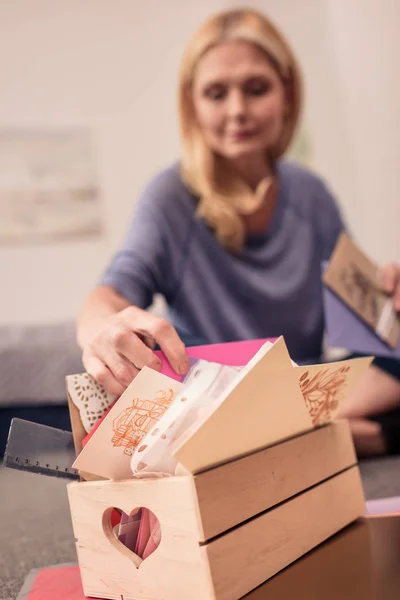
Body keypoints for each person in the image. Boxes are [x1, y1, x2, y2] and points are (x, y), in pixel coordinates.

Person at [77, 8, 400, 456]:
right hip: (213, 399)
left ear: (286, 94)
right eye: (216, 93)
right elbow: (109, 295)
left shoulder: (312, 194)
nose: (237, 111)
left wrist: (390, 306)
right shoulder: (170, 197)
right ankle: (339, 437)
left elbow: (368, 328)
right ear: (192, 104)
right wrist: (100, 330)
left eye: (256, 89)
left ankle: (307, 434)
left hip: (305, 387)